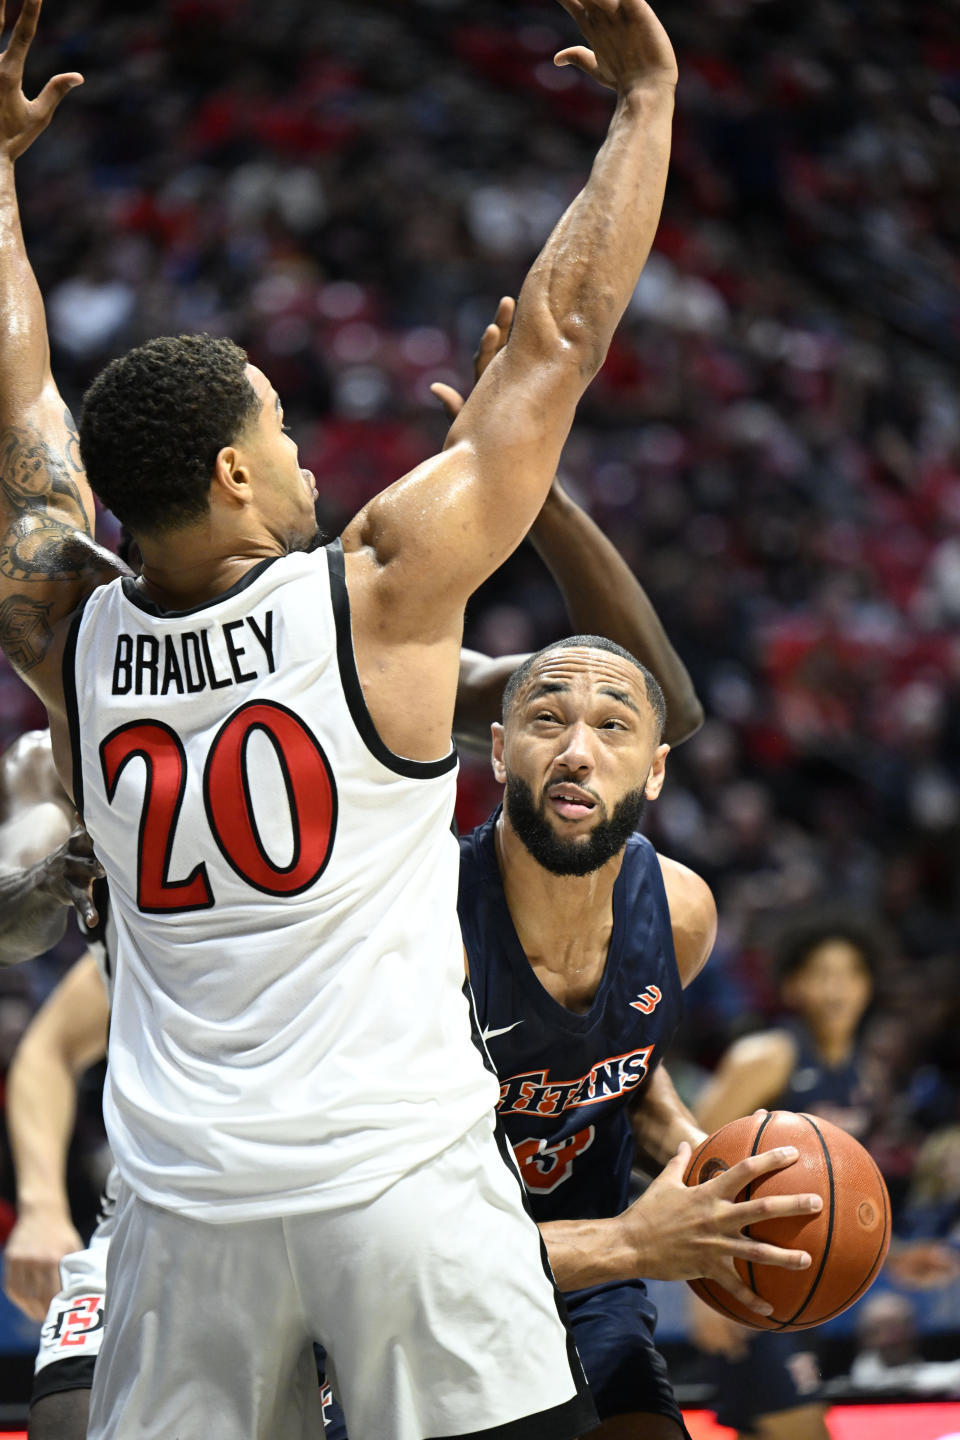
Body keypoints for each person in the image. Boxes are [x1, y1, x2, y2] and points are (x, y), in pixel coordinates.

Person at [0, 3, 688, 1432]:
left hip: (186, 1215)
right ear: (236, 477)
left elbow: (15, 401)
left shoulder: (68, 632)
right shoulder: (373, 593)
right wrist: (647, 103)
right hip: (401, 1186)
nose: (305, 454)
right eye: (281, 432)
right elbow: (559, 339)